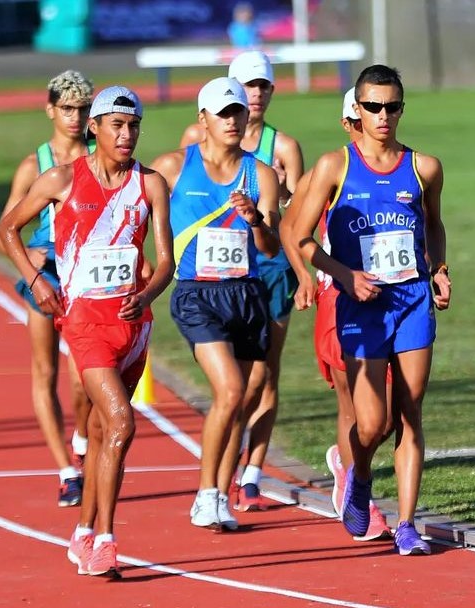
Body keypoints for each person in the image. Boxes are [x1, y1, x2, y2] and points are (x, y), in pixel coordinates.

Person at [0, 85, 174, 577]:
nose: (127, 134)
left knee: (99, 433)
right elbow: (7, 230)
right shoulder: (60, 179)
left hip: (132, 326)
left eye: (134, 125)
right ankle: (106, 540)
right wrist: (36, 280)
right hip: (84, 323)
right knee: (122, 423)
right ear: (94, 128)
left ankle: (80, 532)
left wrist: (149, 292)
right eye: (116, 125)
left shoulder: (151, 185)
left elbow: (166, 262)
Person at [289, 65, 452, 556]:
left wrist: (440, 268)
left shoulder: (424, 168)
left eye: (393, 107)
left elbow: (434, 225)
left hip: (411, 300)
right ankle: (359, 474)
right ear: (356, 111)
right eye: (374, 107)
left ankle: (406, 525)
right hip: (361, 307)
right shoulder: (334, 166)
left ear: (403, 108)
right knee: (372, 423)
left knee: (410, 412)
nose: (384, 116)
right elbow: (300, 238)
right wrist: (344, 276)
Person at [152, 77, 280, 531]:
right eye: (222, 113)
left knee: (241, 400)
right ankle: (205, 494)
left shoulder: (261, 174)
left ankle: (221, 495)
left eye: (238, 112)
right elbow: (132, 209)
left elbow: (268, 247)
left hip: (245, 294)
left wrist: (255, 219)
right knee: (227, 391)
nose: (232, 120)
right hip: (196, 294)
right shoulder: (171, 166)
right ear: (201, 119)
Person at [179, 50, 304, 512]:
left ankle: (248, 472)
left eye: (262, 86)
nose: (253, 96)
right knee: (232, 388)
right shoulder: (191, 147)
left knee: (261, 381)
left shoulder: (280, 151)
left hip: (264, 274)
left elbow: (295, 216)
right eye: (245, 87)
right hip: (207, 284)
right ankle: (213, 487)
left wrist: (271, 215)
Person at [281, 88, 391, 541]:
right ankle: (352, 484)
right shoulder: (325, 173)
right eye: (359, 118)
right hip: (337, 302)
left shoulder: (397, 169)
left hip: (390, 299)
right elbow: (291, 230)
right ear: (348, 123)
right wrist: (305, 278)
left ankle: (346, 460)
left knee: (391, 417)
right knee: (353, 405)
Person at [0, 70, 95, 508]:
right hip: (47, 273)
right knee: (45, 372)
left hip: (90, 274)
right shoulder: (35, 164)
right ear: (50, 109)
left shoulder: (101, 155)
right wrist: (29, 261)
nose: (74, 118)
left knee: (84, 380)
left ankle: (84, 434)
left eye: (82, 110)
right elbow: (5, 228)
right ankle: (66, 471)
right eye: (67, 109)